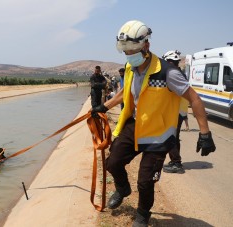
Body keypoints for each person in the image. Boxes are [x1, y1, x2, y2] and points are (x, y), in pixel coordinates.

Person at [91, 20, 216, 227]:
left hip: (159, 134)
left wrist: (205, 134)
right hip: (136, 126)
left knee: (145, 181)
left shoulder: (167, 72)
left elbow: (194, 99)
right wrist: (104, 107)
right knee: (112, 162)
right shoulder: (130, 67)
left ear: (146, 45)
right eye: (125, 51)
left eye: (132, 49)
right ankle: (122, 188)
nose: (129, 54)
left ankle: (142, 215)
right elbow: (125, 92)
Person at [161, 50, 190, 173]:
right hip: (180, 111)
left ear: (170, 61)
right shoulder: (179, 73)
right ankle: (175, 161)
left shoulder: (174, 74)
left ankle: (176, 163)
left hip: (176, 111)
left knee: (170, 137)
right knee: (174, 137)